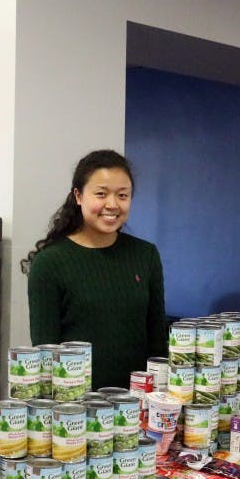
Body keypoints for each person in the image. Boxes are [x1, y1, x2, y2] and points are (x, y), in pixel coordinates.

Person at [22, 149, 166, 389]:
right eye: (101, 194)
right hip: (77, 409)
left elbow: (157, 341)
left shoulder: (145, 255)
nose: (112, 204)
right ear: (78, 196)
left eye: (123, 195)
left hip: (137, 404)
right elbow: (45, 354)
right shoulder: (50, 262)